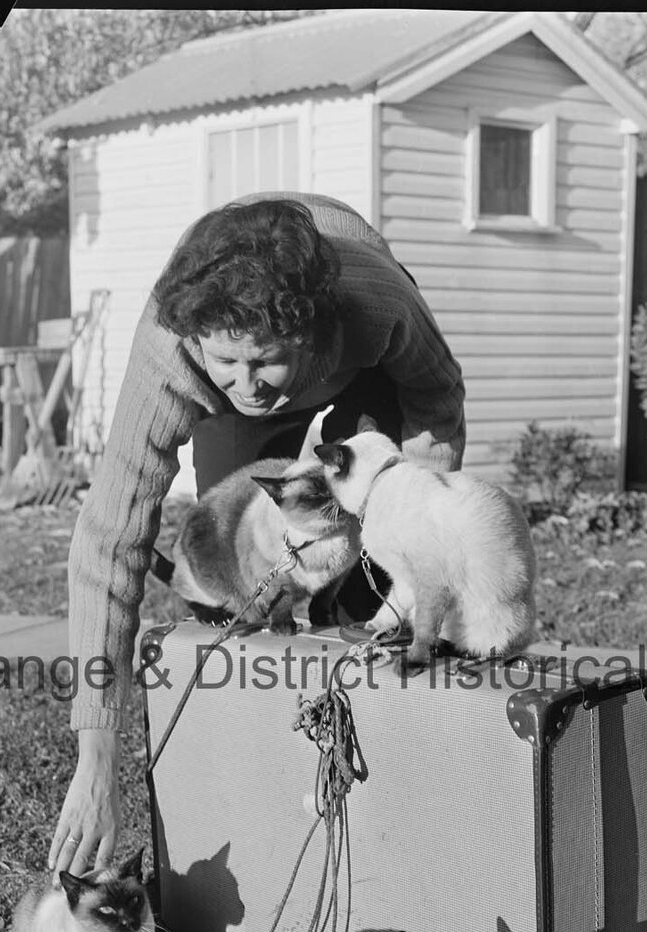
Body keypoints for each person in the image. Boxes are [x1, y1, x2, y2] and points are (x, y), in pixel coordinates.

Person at [48, 192, 466, 880]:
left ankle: (381, 793)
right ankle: (266, 783)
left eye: (263, 361)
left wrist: (408, 546)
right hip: (247, 373)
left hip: (362, 378)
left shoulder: (378, 305)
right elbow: (109, 543)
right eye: (226, 363)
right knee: (235, 584)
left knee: (363, 587)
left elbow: (437, 404)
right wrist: (95, 759)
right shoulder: (174, 346)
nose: (248, 385)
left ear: (304, 334)